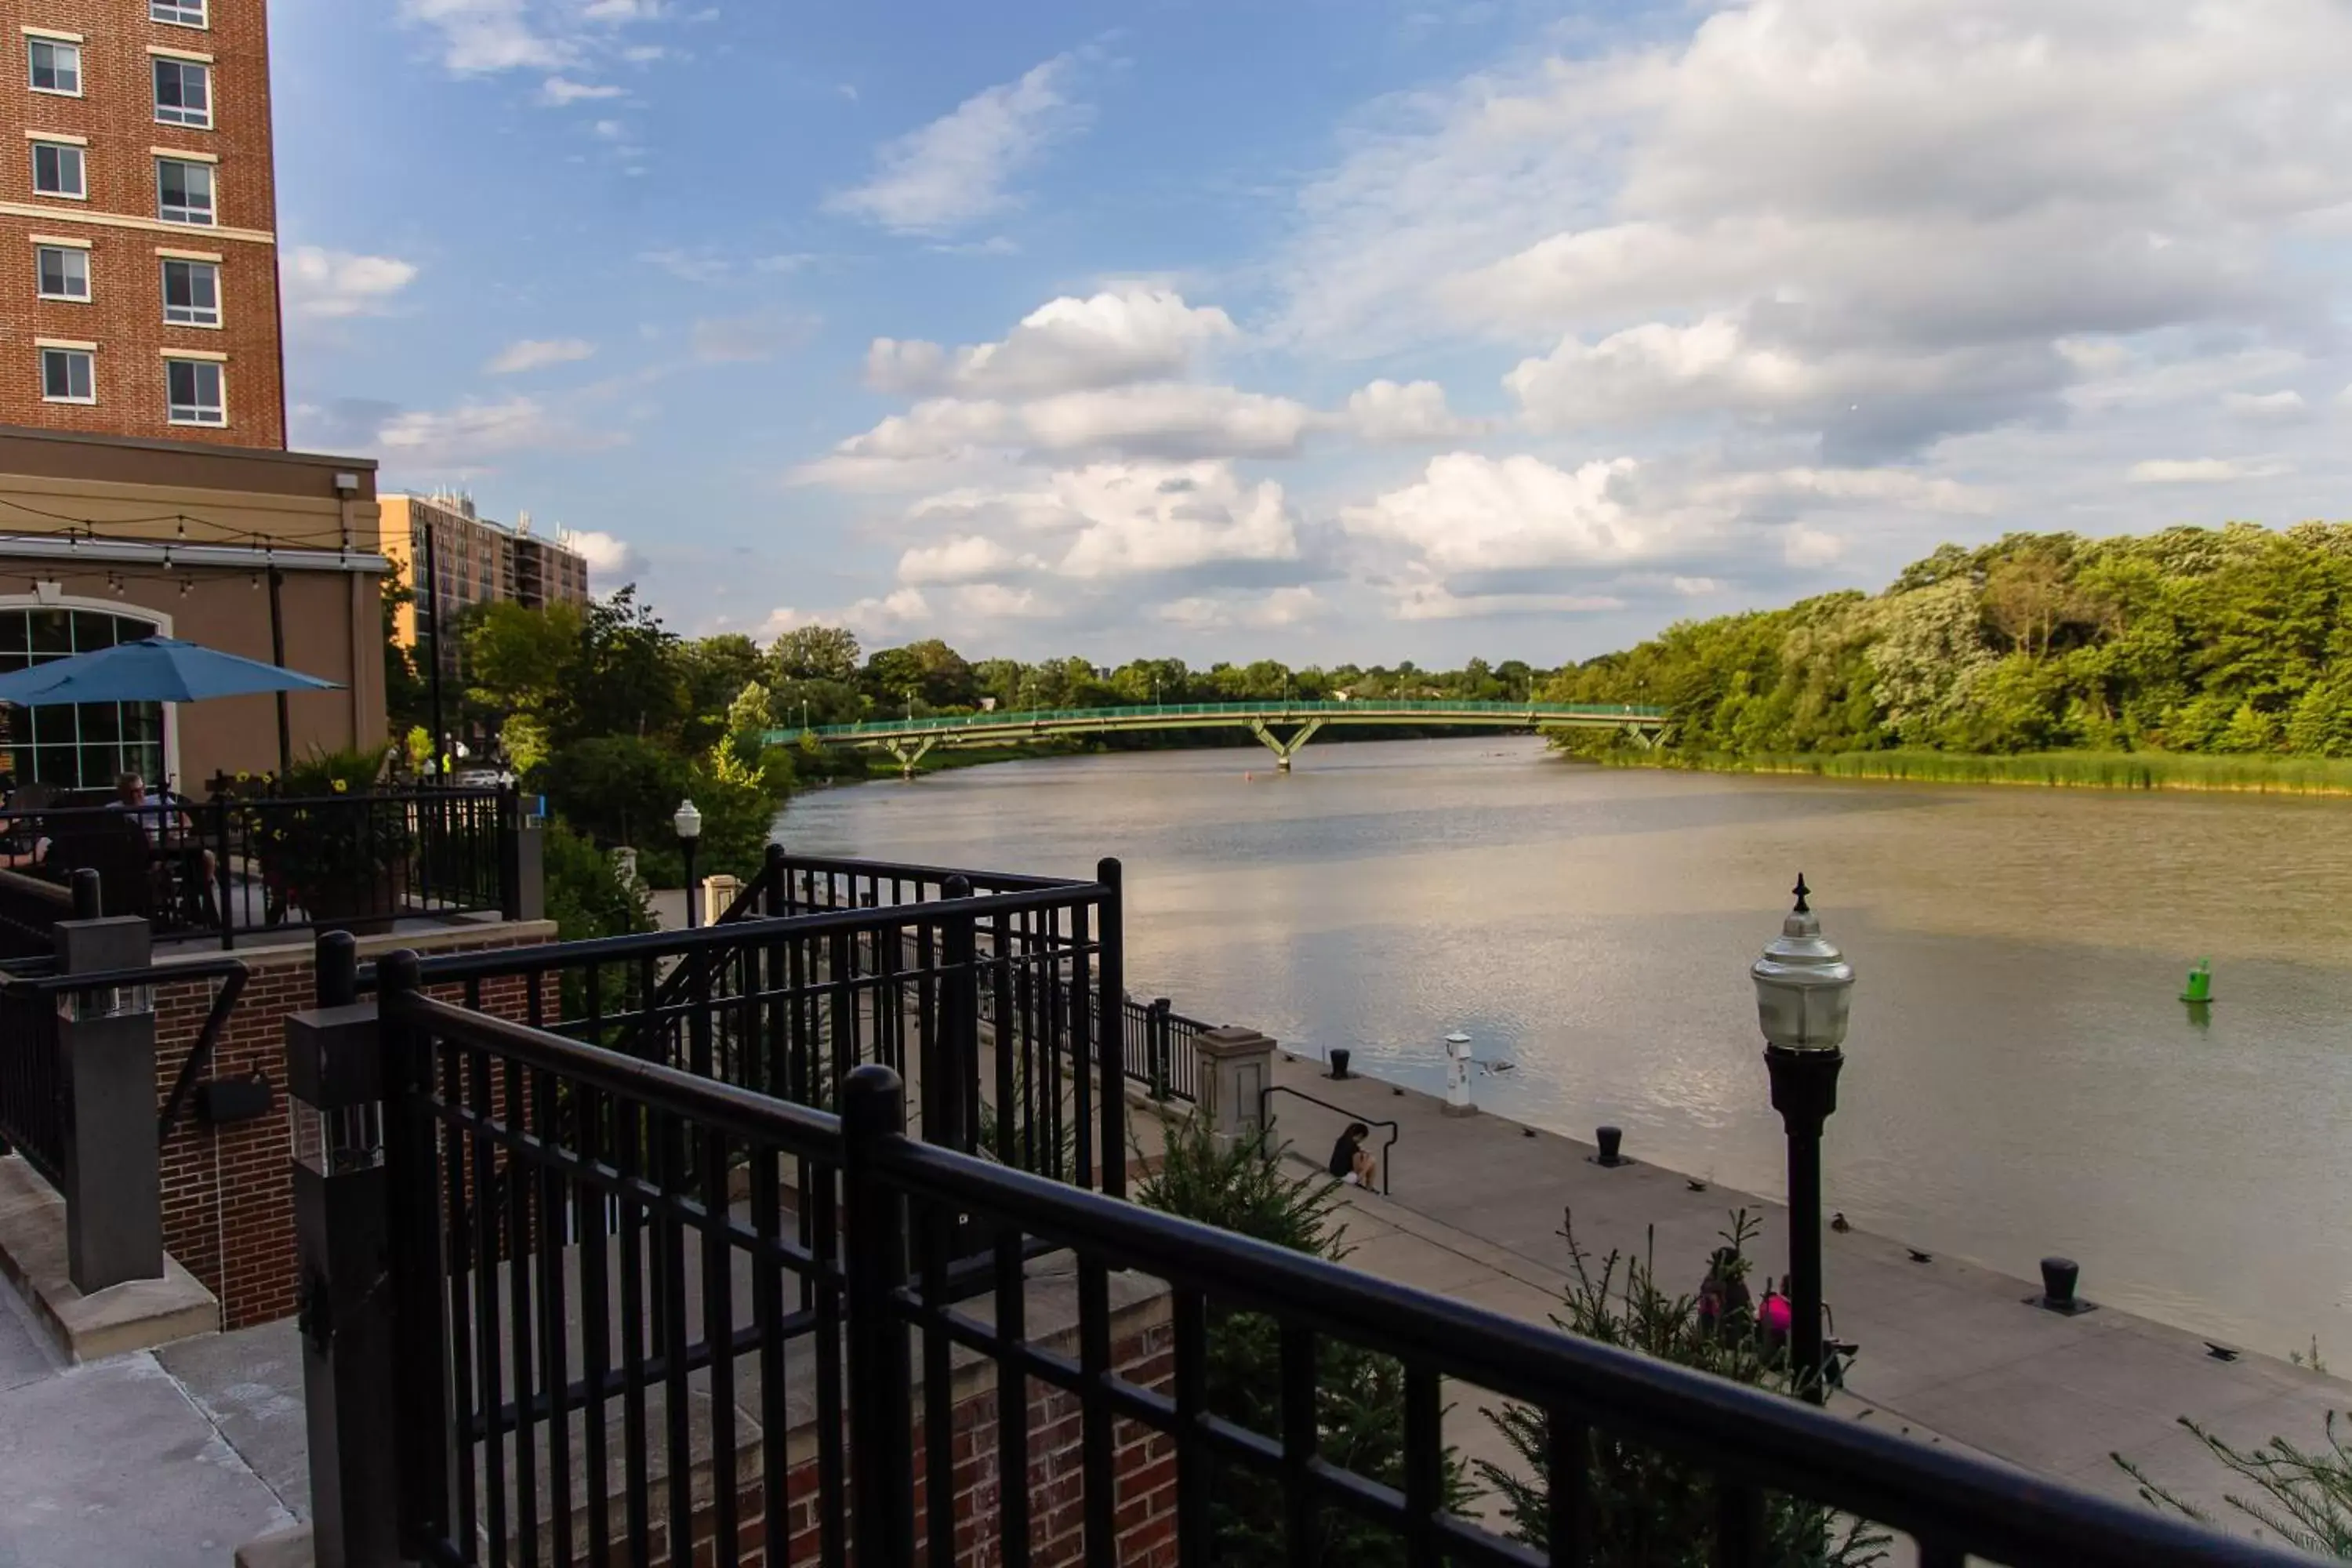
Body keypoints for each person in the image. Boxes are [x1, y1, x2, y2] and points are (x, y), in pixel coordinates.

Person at [1327, 1123, 1379, 1189]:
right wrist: (1365, 1159)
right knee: (1372, 1160)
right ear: (1360, 1136)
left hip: (1333, 1171)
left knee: (1369, 1160)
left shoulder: (1341, 1140)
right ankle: (1369, 1186)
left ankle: (1369, 1186)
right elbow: (1357, 1169)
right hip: (1345, 1177)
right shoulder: (1354, 1149)